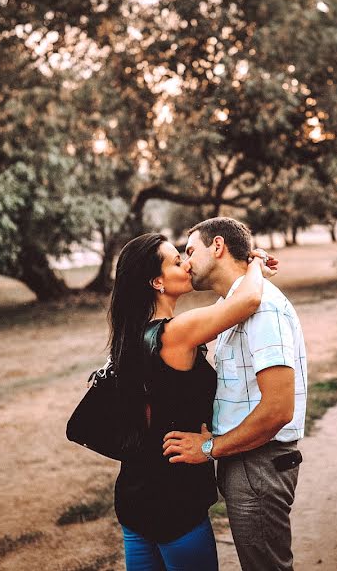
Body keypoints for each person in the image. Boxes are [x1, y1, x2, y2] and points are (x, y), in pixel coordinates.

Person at [106, 232, 276, 571]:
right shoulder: (175, 333)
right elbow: (247, 302)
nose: (186, 263)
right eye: (175, 261)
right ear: (156, 281)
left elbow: (225, 307)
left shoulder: (132, 334)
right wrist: (254, 264)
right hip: (174, 500)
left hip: (134, 496)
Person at [163, 217, 308, 571]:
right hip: (247, 461)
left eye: (190, 250)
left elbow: (278, 409)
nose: (185, 262)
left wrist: (209, 448)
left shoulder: (263, 309)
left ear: (217, 246)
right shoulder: (238, 305)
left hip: (258, 463)